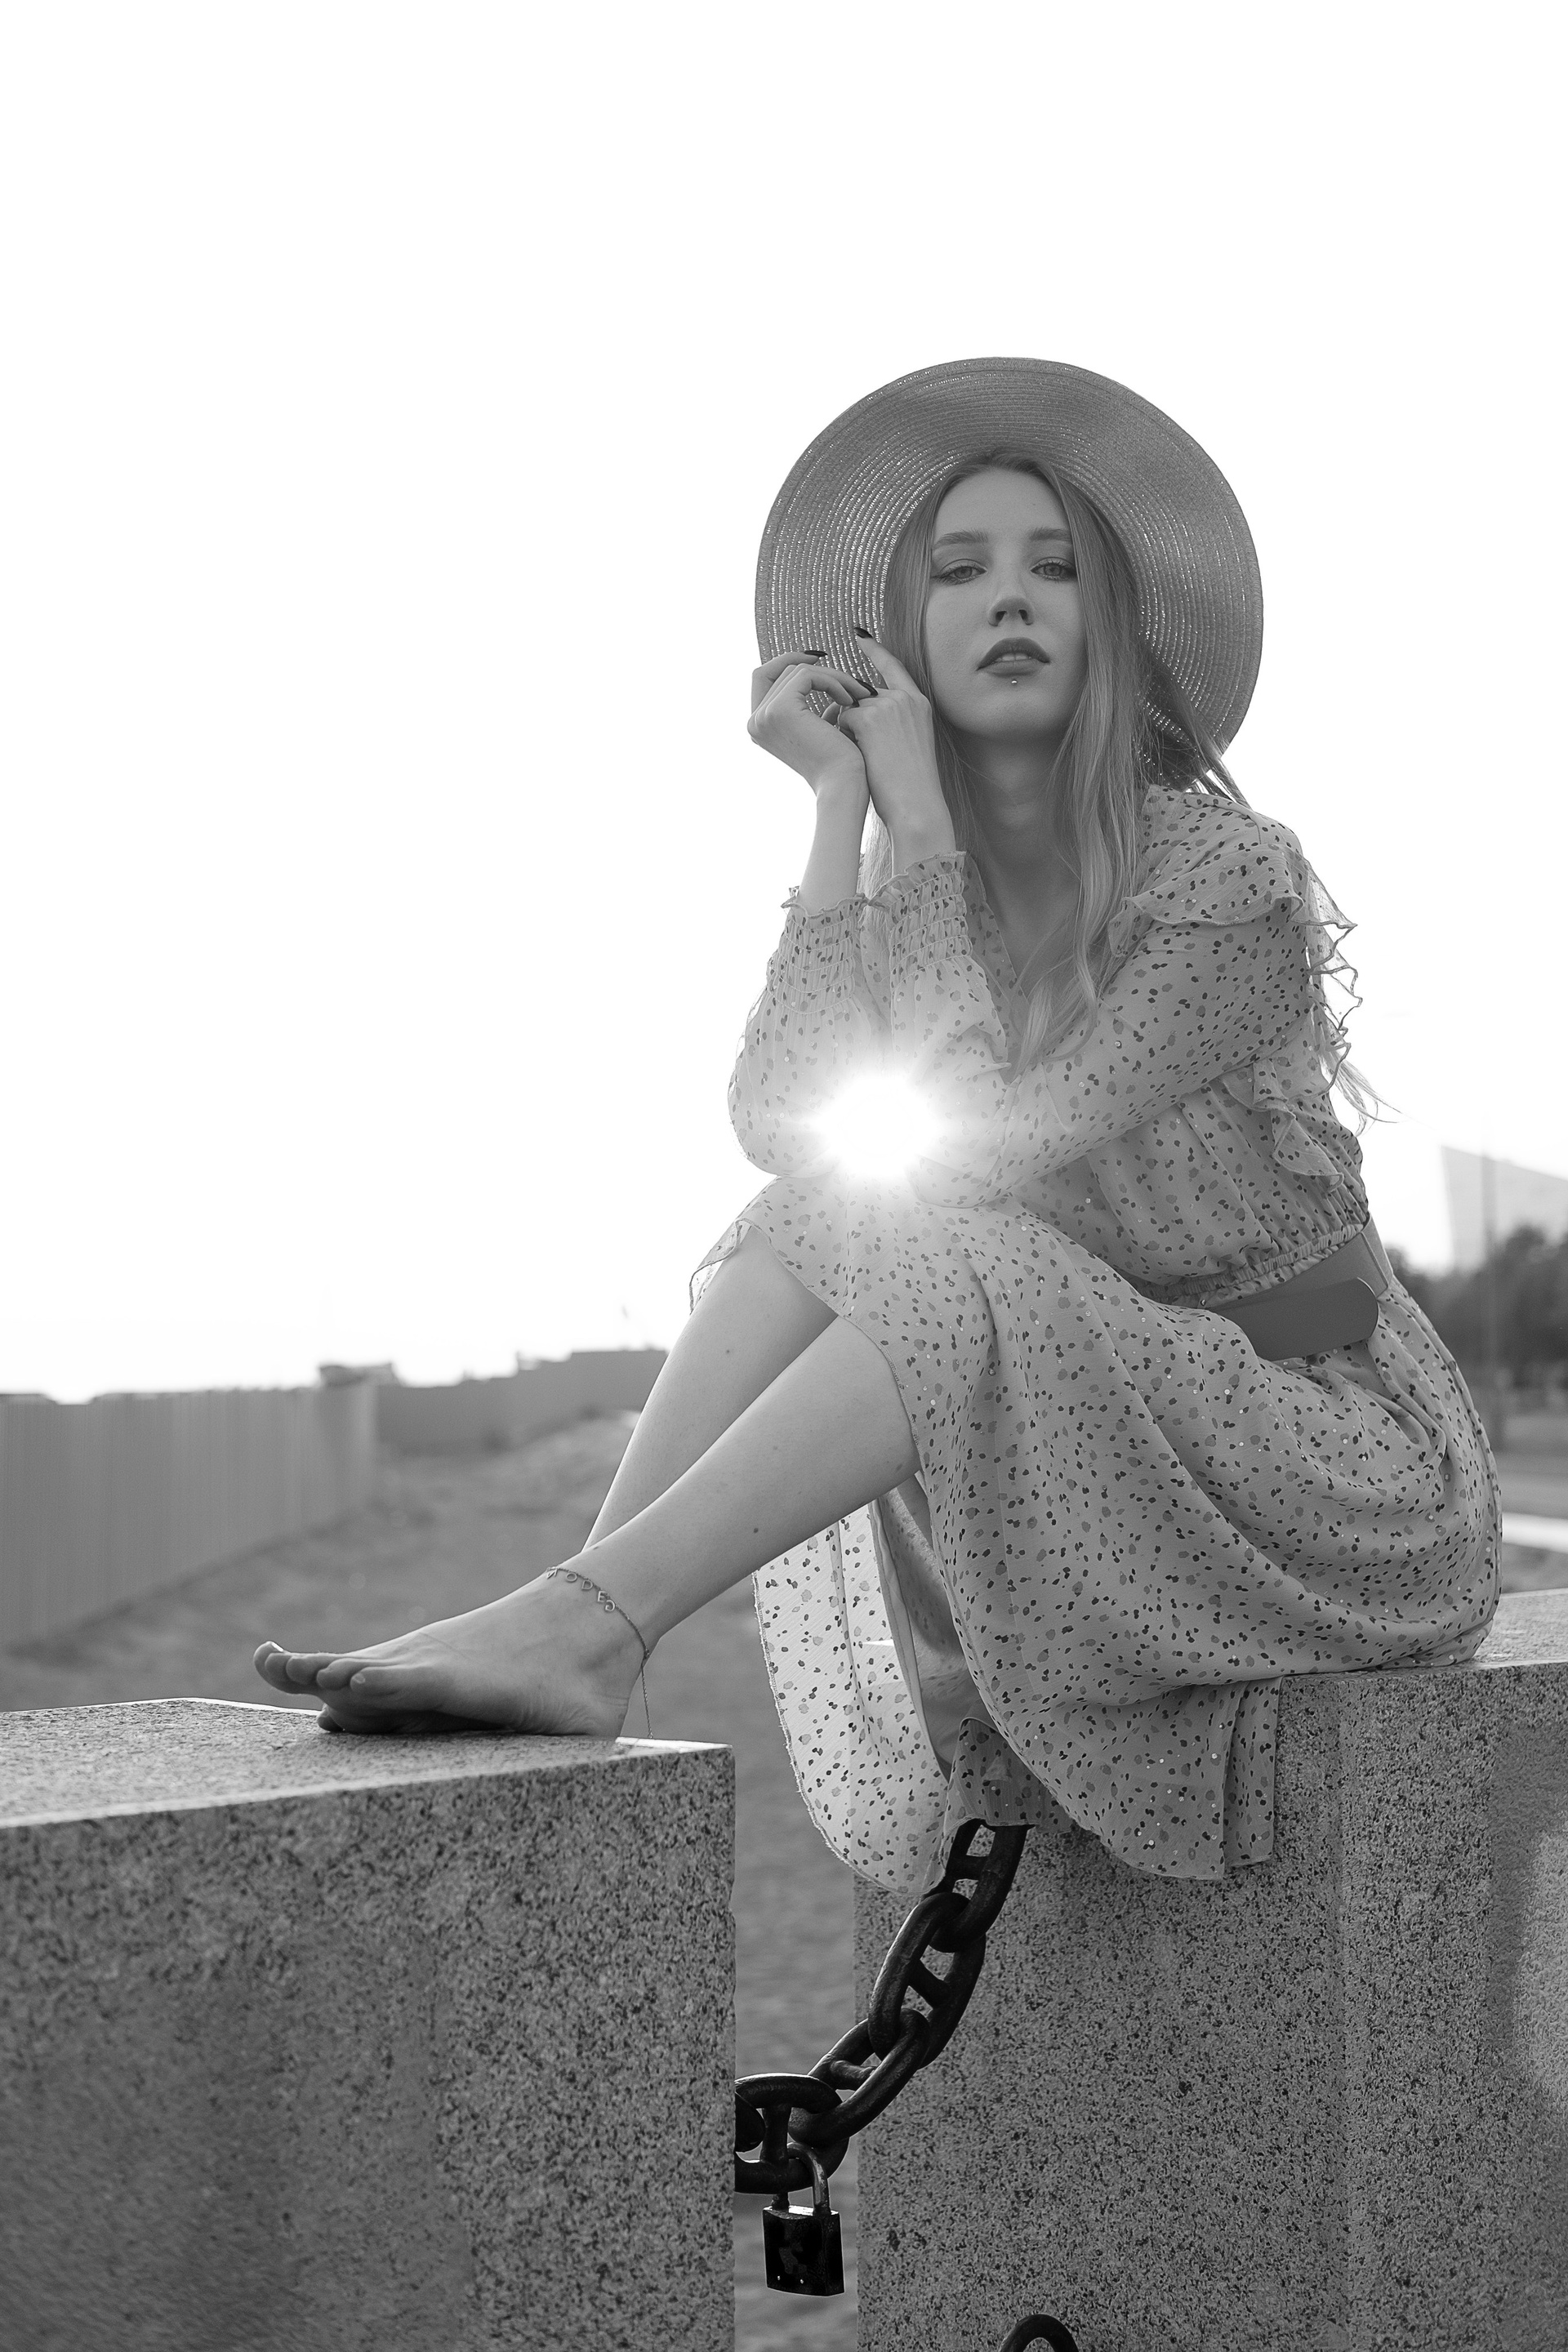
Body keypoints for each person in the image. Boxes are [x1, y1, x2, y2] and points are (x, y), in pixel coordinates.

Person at [256, 359, 1499, 1893]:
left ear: (1111, 626)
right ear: (899, 638)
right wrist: (838, 807)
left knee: (931, 1229)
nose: (1010, 597)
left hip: (1329, 1458)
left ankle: (588, 1624)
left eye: (1055, 567)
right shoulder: (926, 879)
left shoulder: (1225, 880)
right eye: (960, 571)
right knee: (824, 1208)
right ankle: (585, 1616)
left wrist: (915, 819)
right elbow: (787, 1124)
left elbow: (977, 1150)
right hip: (1101, 1414)